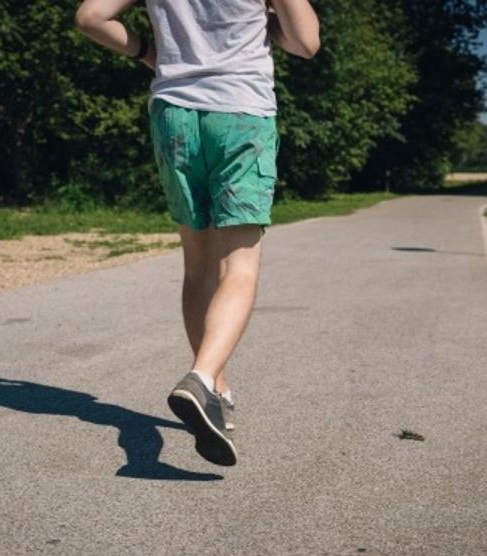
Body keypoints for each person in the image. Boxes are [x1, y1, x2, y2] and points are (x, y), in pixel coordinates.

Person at [75, 0, 320, 466]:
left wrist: (148, 50)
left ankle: (216, 390)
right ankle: (202, 378)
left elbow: (90, 18)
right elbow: (306, 43)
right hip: (240, 113)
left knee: (198, 266)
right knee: (239, 267)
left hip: (174, 115)